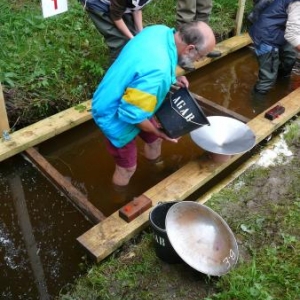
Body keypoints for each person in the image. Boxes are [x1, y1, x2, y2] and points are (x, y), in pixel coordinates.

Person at [92, 21, 216, 186]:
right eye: (200, 57)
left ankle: (155, 168)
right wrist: (159, 132)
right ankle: (118, 198)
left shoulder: (160, 31)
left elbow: (145, 68)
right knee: (127, 167)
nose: (197, 61)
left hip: (127, 94)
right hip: (114, 114)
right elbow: (131, 115)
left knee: (154, 140)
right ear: (190, 48)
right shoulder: (159, 71)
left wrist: (172, 79)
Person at [249, 0, 300, 95]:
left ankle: (281, 87)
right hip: (266, 36)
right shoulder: (297, 4)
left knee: (289, 59)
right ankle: (256, 104)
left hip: (281, 31)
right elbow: (292, 35)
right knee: (267, 79)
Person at [79, 0, 154, 63]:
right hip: (98, 3)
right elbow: (116, 17)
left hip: (119, 4)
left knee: (133, 34)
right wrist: (133, 39)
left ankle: (134, 65)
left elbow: (137, 9)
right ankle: (118, 73)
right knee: (119, 41)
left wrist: (141, 34)